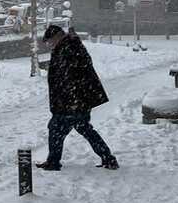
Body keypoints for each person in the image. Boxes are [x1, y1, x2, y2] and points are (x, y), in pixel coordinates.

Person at [36, 24, 118, 171]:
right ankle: (108, 158)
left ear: (57, 36)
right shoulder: (67, 47)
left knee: (56, 129)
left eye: (50, 41)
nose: (49, 45)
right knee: (83, 129)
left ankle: (53, 162)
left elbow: (74, 77)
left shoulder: (69, 48)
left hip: (72, 101)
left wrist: (73, 99)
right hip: (74, 100)